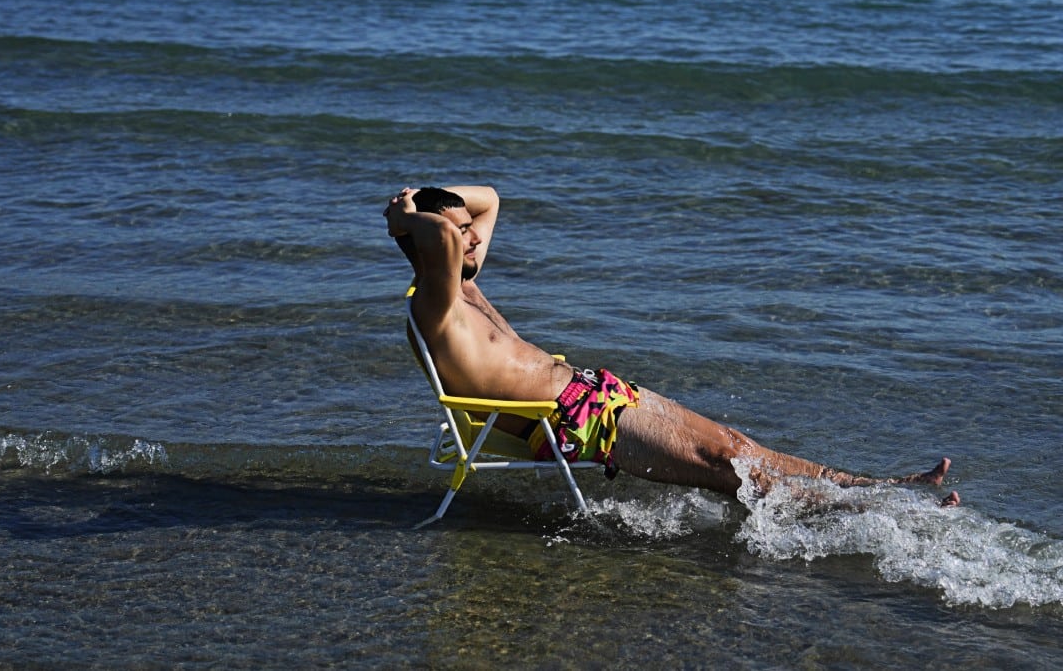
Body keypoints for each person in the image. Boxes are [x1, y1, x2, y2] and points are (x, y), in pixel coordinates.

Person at [384, 184, 959, 507]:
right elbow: (438, 234)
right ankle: (874, 510)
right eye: (462, 234)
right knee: (724, 467)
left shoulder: (463, 288)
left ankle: (872, 487)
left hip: (591, 395)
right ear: (432, 245)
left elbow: (491, 199)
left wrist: (442, 206)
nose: (475, 236)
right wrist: (407, 218)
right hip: (567, 423)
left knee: (735, 444)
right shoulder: (433, 309)